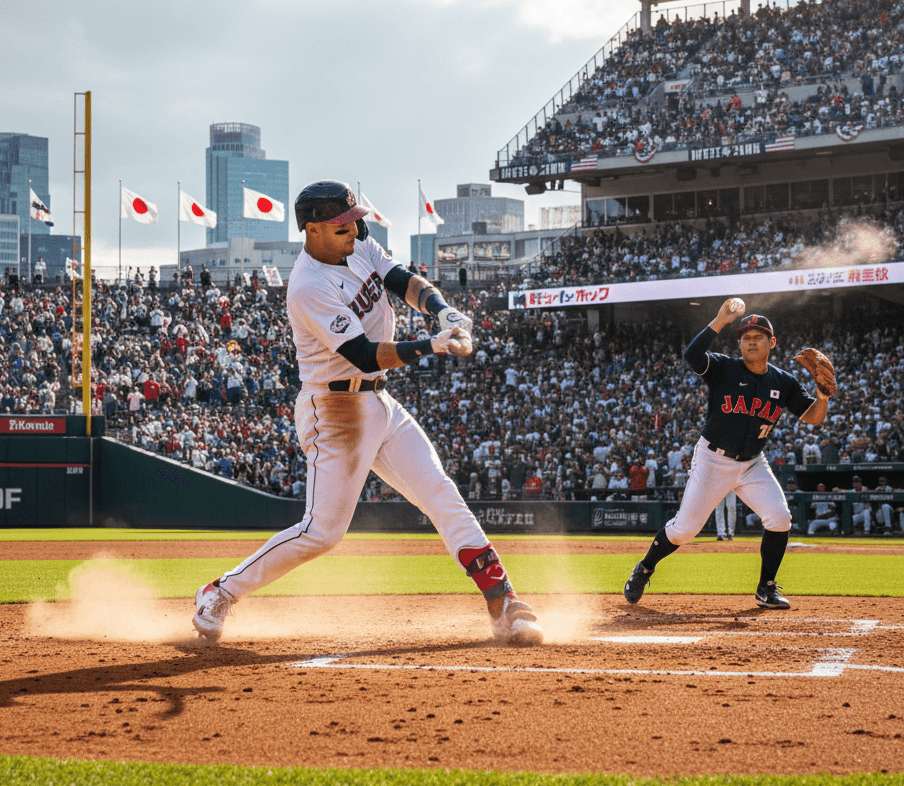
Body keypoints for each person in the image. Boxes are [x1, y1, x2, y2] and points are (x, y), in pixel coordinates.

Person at [192, 180, 543, 646]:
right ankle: (220, 591)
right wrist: (431, 346)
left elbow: (401, 280)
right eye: (343, 226)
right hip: (333, 410)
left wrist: (442, 310)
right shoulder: (307, 286)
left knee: (440, 492)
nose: (355, 232)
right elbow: (362, 353)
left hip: (378, 402)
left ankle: (503, 601)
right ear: (312, 230)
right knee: (322, 534)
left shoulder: (357, 245)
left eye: (356, 222)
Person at [623, 300, 830, 610]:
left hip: (752, 464)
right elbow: (692, 356)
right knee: (684, 530)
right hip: (712, 459)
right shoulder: (724, 368)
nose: (751, 341)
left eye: (758, 336)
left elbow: (813, 417)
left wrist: (823, 396)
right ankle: (645, 568)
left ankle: (766, 587)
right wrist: (720, 319)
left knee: (779, 517)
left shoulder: (783, 382)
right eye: (745, 337)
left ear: (771, 342)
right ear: (739, 343)